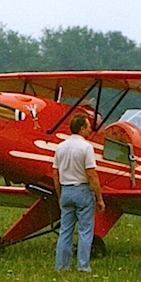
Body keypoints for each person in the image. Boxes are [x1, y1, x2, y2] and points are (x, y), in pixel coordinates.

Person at [52, 113, 105, 272]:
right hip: (82, 190)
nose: (90, 130)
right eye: (88, 127)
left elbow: (56, 174)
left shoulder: (60, 147)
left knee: (65, 231)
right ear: (82, 128)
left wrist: (60, 194)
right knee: (85, 231)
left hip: (66, 190)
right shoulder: (86, 147)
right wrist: (100, 198)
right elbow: (92, 175)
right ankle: (83, 267)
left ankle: (62, 267)